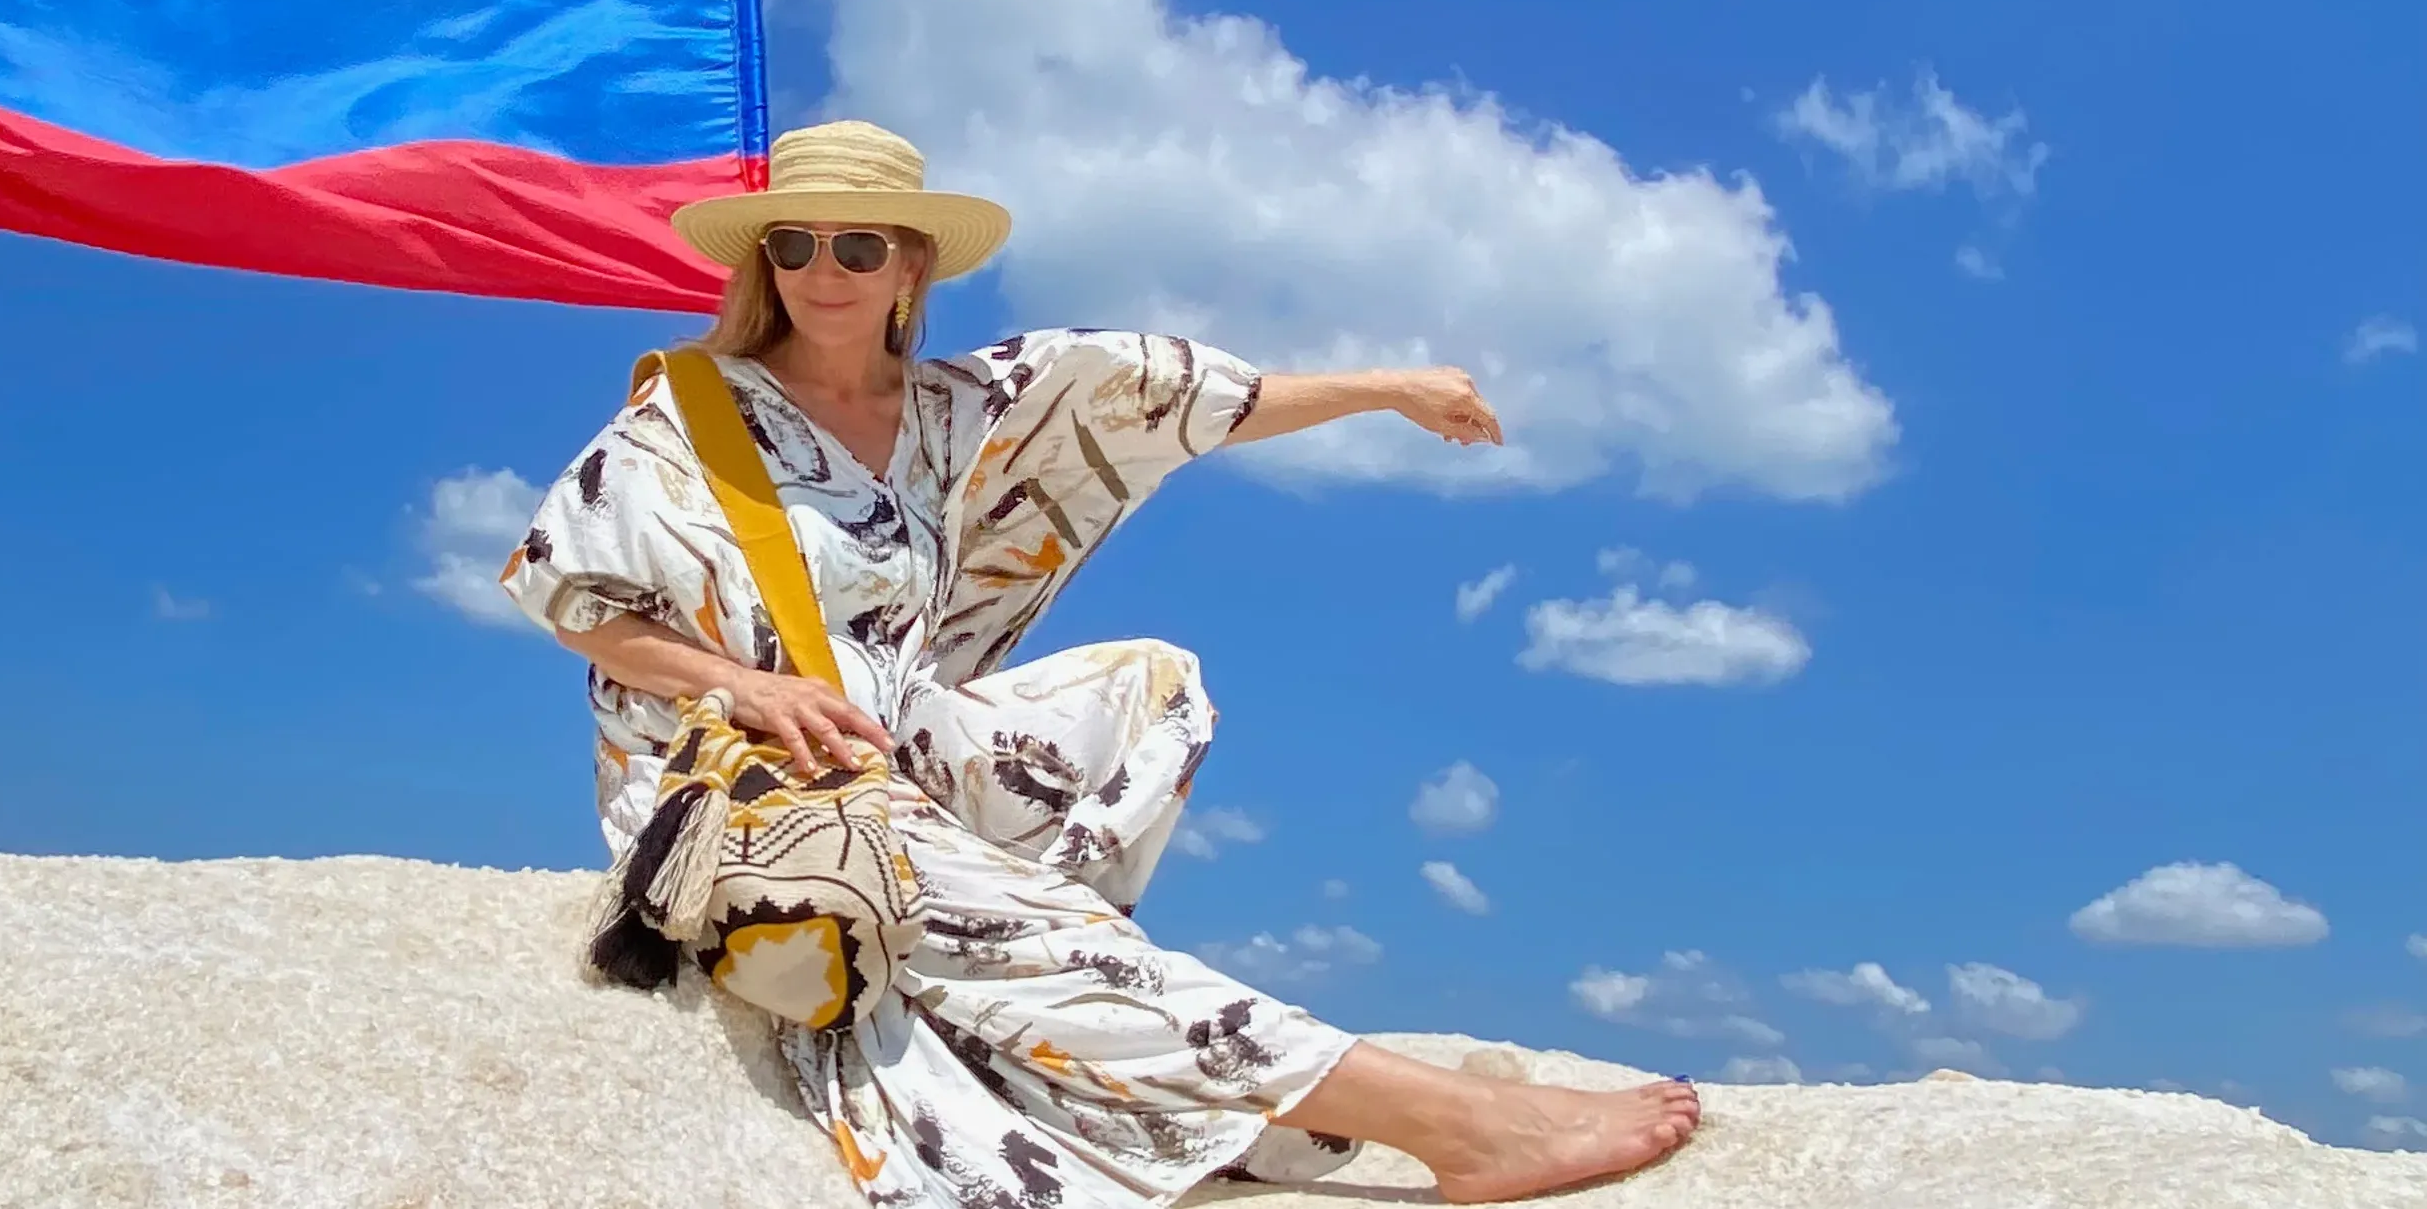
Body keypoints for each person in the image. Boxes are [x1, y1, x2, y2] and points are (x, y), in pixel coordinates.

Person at [501, 121, 1700, 1207]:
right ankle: (1451, 1123)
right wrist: (748, 687)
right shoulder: (695, 411)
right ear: (763, 265)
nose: (822, 271)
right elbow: (571, 600)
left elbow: (1172, 399)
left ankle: (1030, 951)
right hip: (744, 775)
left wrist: (1387, 389)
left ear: (911, 267)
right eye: (796, 245)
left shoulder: (957, 409)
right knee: (962, 884)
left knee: (1154, 685)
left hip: (892, 749)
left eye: (857, 246)